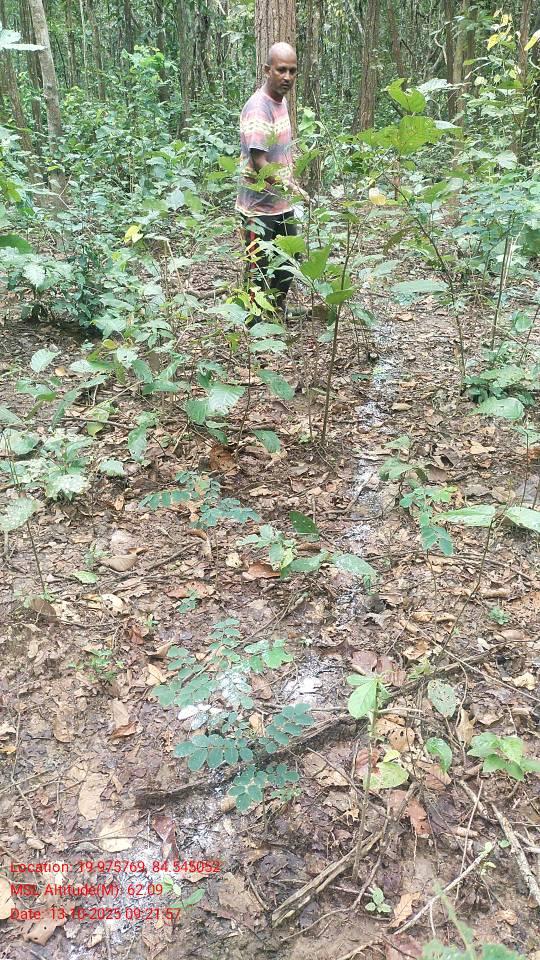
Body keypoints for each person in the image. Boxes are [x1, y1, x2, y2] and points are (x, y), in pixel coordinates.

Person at [236, 42, 308, 319]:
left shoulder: (281, 101)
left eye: (292, 71)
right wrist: (291, 187)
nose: (287, 77)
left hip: (282, 203)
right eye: (281, 70)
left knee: (289, 259)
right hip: (259, 208)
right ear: (267, 70)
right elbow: (259, 161)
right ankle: (255, 324)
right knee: (259, 267)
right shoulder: (258, 108)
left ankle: (277, 310)